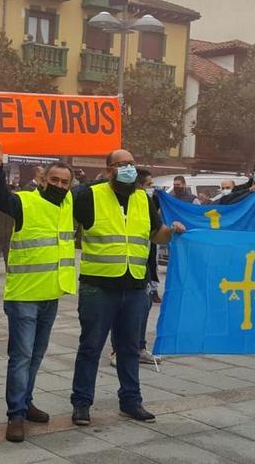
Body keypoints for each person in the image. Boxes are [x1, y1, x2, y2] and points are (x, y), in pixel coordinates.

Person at [70, 149, 185, 427]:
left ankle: (131, 401)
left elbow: (155, 234)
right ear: (109, 170)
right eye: (122, 165)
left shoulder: (143, 200)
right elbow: (67, 227)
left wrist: (171, 231)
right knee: (90, 347)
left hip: (135, 286)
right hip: (98, 287)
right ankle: (82, 403)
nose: (128, 169)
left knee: (129, 348)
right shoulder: (89, 196)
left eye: (131, 164)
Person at [0, 145, 76, 443]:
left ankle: (26, 401)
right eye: (55, 180)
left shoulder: (67, 205)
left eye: (65, 182)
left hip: (50, 295)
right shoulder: (25, 202)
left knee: (35, 356)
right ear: (43, 179)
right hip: (24, 296)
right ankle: (16, 415)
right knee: (21, 356)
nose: (60, 186)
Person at [110, 169, 162, 368]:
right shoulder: (128, 207)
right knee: (121, 314)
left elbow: (156, 232)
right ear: (139, 185)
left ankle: (140, 348)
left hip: (144, 268)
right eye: (149, 185)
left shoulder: (147, 203)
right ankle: (117, 350)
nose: (152, 189)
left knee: (144, 308)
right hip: (123, 270)